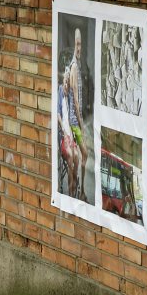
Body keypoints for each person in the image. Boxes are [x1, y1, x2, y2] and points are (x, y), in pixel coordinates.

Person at [65, 28, 89, 201]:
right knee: (83, 154)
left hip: (75, 120)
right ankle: (77, 189)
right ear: (74, 45)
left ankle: (77, 188)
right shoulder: (74, 67)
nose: (79, 48)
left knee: (79, 156)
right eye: (77, 44)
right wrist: (80, 121)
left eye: (81, 44)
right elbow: (74, 96)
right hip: (74, 121)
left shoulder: (78, 65)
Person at [57, 71, 82, 198]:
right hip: (64, 137)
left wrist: (73, 131)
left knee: (77, 157)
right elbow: (58, 115)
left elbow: (74, 116)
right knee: (71, 156)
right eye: (65, 81)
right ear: (63, 83)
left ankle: (74, 181)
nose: (66, 83)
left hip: (71, 136)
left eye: (68, 81)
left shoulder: (70, 97)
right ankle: (71, 190)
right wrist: (64, 131)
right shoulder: (60, 92)